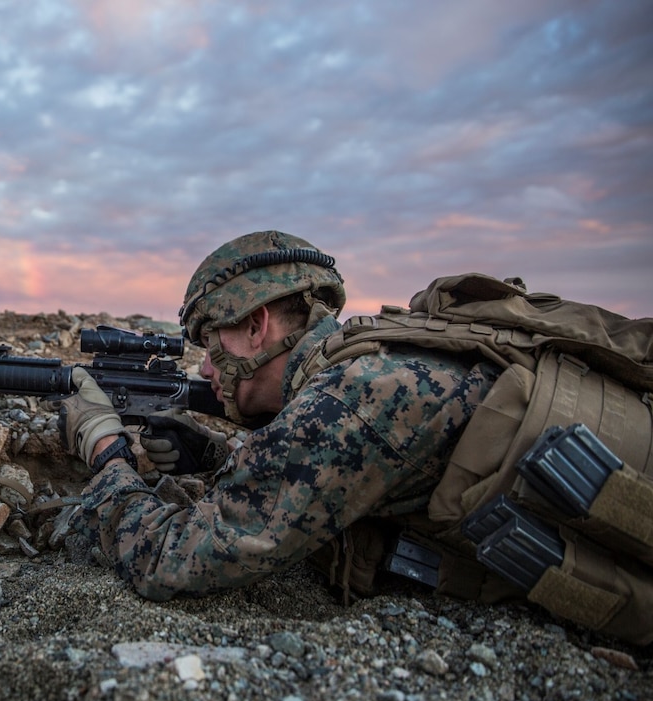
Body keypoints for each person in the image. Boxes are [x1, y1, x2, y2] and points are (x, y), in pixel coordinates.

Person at [50, 229, 653, 645]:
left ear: (258, 326)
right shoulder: (370, 358)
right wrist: (207, 451)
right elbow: (333, 483)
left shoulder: (349, 399)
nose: (207, 370)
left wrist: (105, 450)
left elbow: (169, 560)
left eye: (214, 348)